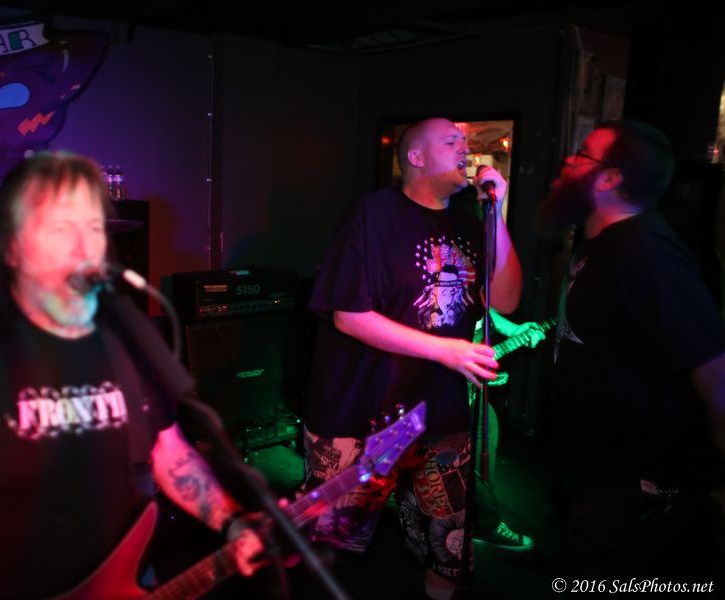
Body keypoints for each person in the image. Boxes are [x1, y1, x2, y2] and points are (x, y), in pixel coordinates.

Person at [0, 153, 263, 599]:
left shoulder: (126, 346)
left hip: (127, 580)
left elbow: (170, 452)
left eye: (92, 229)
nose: (83, 247)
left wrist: (235, 522)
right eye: (60, 230)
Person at [302, 118, 522, 600]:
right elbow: (349, 316)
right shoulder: (374, 213)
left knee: (448, 546)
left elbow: (506, 300)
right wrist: (445, 349)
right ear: (416, 158)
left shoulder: (471, 223)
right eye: (452, 140)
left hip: (438, 415)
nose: (466, 147)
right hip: (360, 412)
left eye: (466, 141)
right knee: (331, 543)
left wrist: (497, 212)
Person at [538, 120, 725, 579]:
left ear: (610, 177)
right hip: (598, 470)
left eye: (583, 154)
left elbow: (711, 363)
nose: (569, 159)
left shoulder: (646, 251)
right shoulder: (600, 241)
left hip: (636, 483)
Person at [470, 309, 545, 551]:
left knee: (486, 434)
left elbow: (483, 309)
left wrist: (514, 330)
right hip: (442, 389)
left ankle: (480, 521)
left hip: (470, 394)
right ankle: (482, 524)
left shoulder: (475, 288)